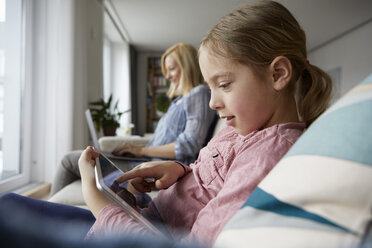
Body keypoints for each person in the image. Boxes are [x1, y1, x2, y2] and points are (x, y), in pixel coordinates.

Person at [0, 1, 332, 247]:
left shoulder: (268, 157)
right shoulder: (241, 128)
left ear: (278, 74)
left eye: (225, 85)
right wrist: (179, 171)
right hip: (140, 214)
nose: (213, 102)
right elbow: (210, 178)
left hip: (126, 231)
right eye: (211, 86)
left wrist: (96, 200)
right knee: (9, 203)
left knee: (8, 213)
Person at [50, 42, 216, 196]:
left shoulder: (198, 94)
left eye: (172, 69)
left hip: (154, 168)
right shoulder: (180, 100)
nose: (169, 77)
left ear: (187, 67)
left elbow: (189, 144)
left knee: (70, 161)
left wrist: (141, 150)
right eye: (167, 71)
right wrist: (136, 150)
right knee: (83, 158)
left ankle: (45, 219)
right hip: (145, 162)